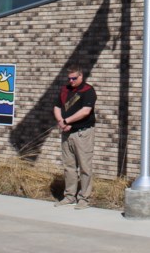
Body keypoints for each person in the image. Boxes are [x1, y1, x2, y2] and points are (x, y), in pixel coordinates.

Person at [53, 64, 97, 209]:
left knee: (85, 166)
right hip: (66, 133)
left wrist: (67, 121)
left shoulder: (88, 91)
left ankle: (84, 198)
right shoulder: (65, 90)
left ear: (81, 76)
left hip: (82, 133)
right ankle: (69, 196)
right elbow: (57, 106)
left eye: (74, 78)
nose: (71, 81)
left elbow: (85, 111)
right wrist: (61, 121)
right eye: (69, 78)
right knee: (69, 166)